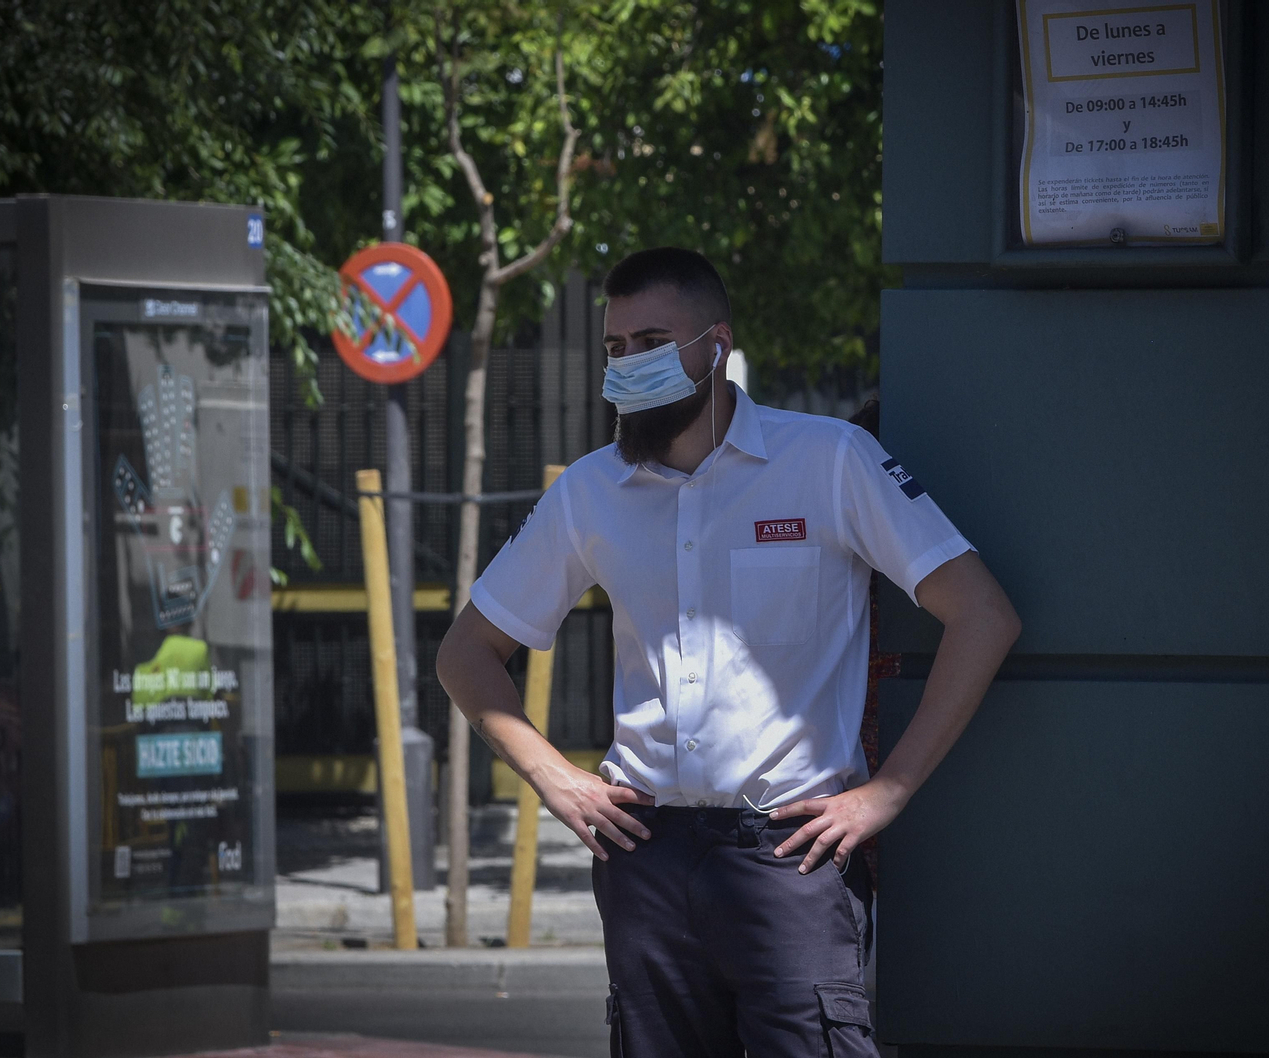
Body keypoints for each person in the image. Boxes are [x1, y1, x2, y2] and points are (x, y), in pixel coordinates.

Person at [436, 247, 1020, 1056]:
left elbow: (983, 615)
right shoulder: (589, 491)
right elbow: (466, 652)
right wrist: (555, 779)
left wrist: (886, 793)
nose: (628, 364)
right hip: (642, 856)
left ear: (716, 344)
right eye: (614, 347)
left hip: (791, 858)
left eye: (652, 342)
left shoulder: (829, 459)